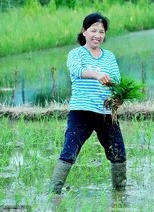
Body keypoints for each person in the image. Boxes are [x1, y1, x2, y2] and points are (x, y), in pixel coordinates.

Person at [50, 13, 127, 195]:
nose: (97, 35)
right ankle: (54, 192)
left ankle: (120, 193)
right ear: (84, 32)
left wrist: (118, 95)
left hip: (106, 113)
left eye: (101, 31)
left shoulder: (109, 57)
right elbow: (77, 71)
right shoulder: (75, 54)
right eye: (93, 30)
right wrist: (96, 74)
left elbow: (117, 80)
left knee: (118, 154)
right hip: (81, 112)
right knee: (69, 151)